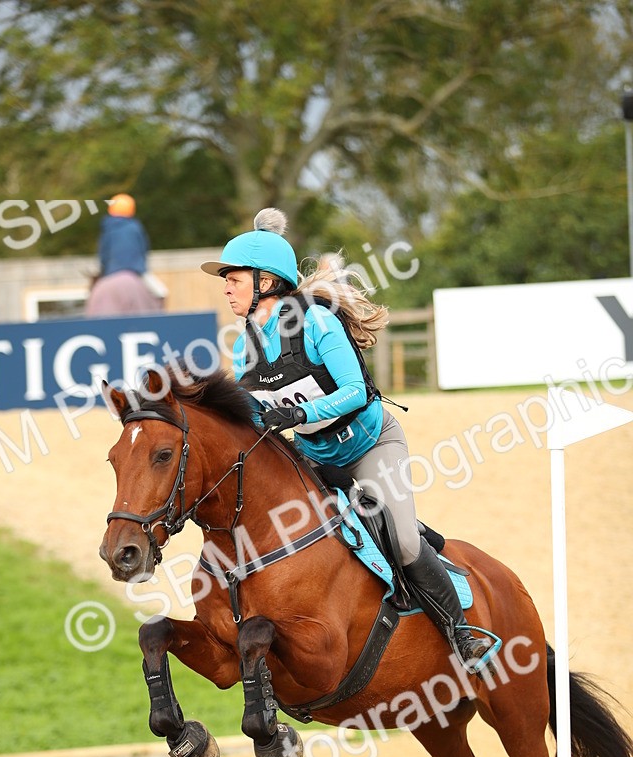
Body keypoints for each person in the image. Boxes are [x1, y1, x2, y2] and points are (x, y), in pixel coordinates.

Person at [201, 209, 493, 673]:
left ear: (266, 282)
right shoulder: (244, 346)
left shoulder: (317, 323)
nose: (226, 287)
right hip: (316, 456)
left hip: (371, 445)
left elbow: (355, 390)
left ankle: (462, 635)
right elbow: (253, 414)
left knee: (404, 544)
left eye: (234, 278)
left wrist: (297, 413)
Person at [86, 193, 162, 316]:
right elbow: (143, 251)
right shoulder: (135, 227)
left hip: (110, 273)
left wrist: (104, 273)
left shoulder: (107, 228)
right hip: (134, 272)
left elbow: (103, 254)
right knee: (161, 293)